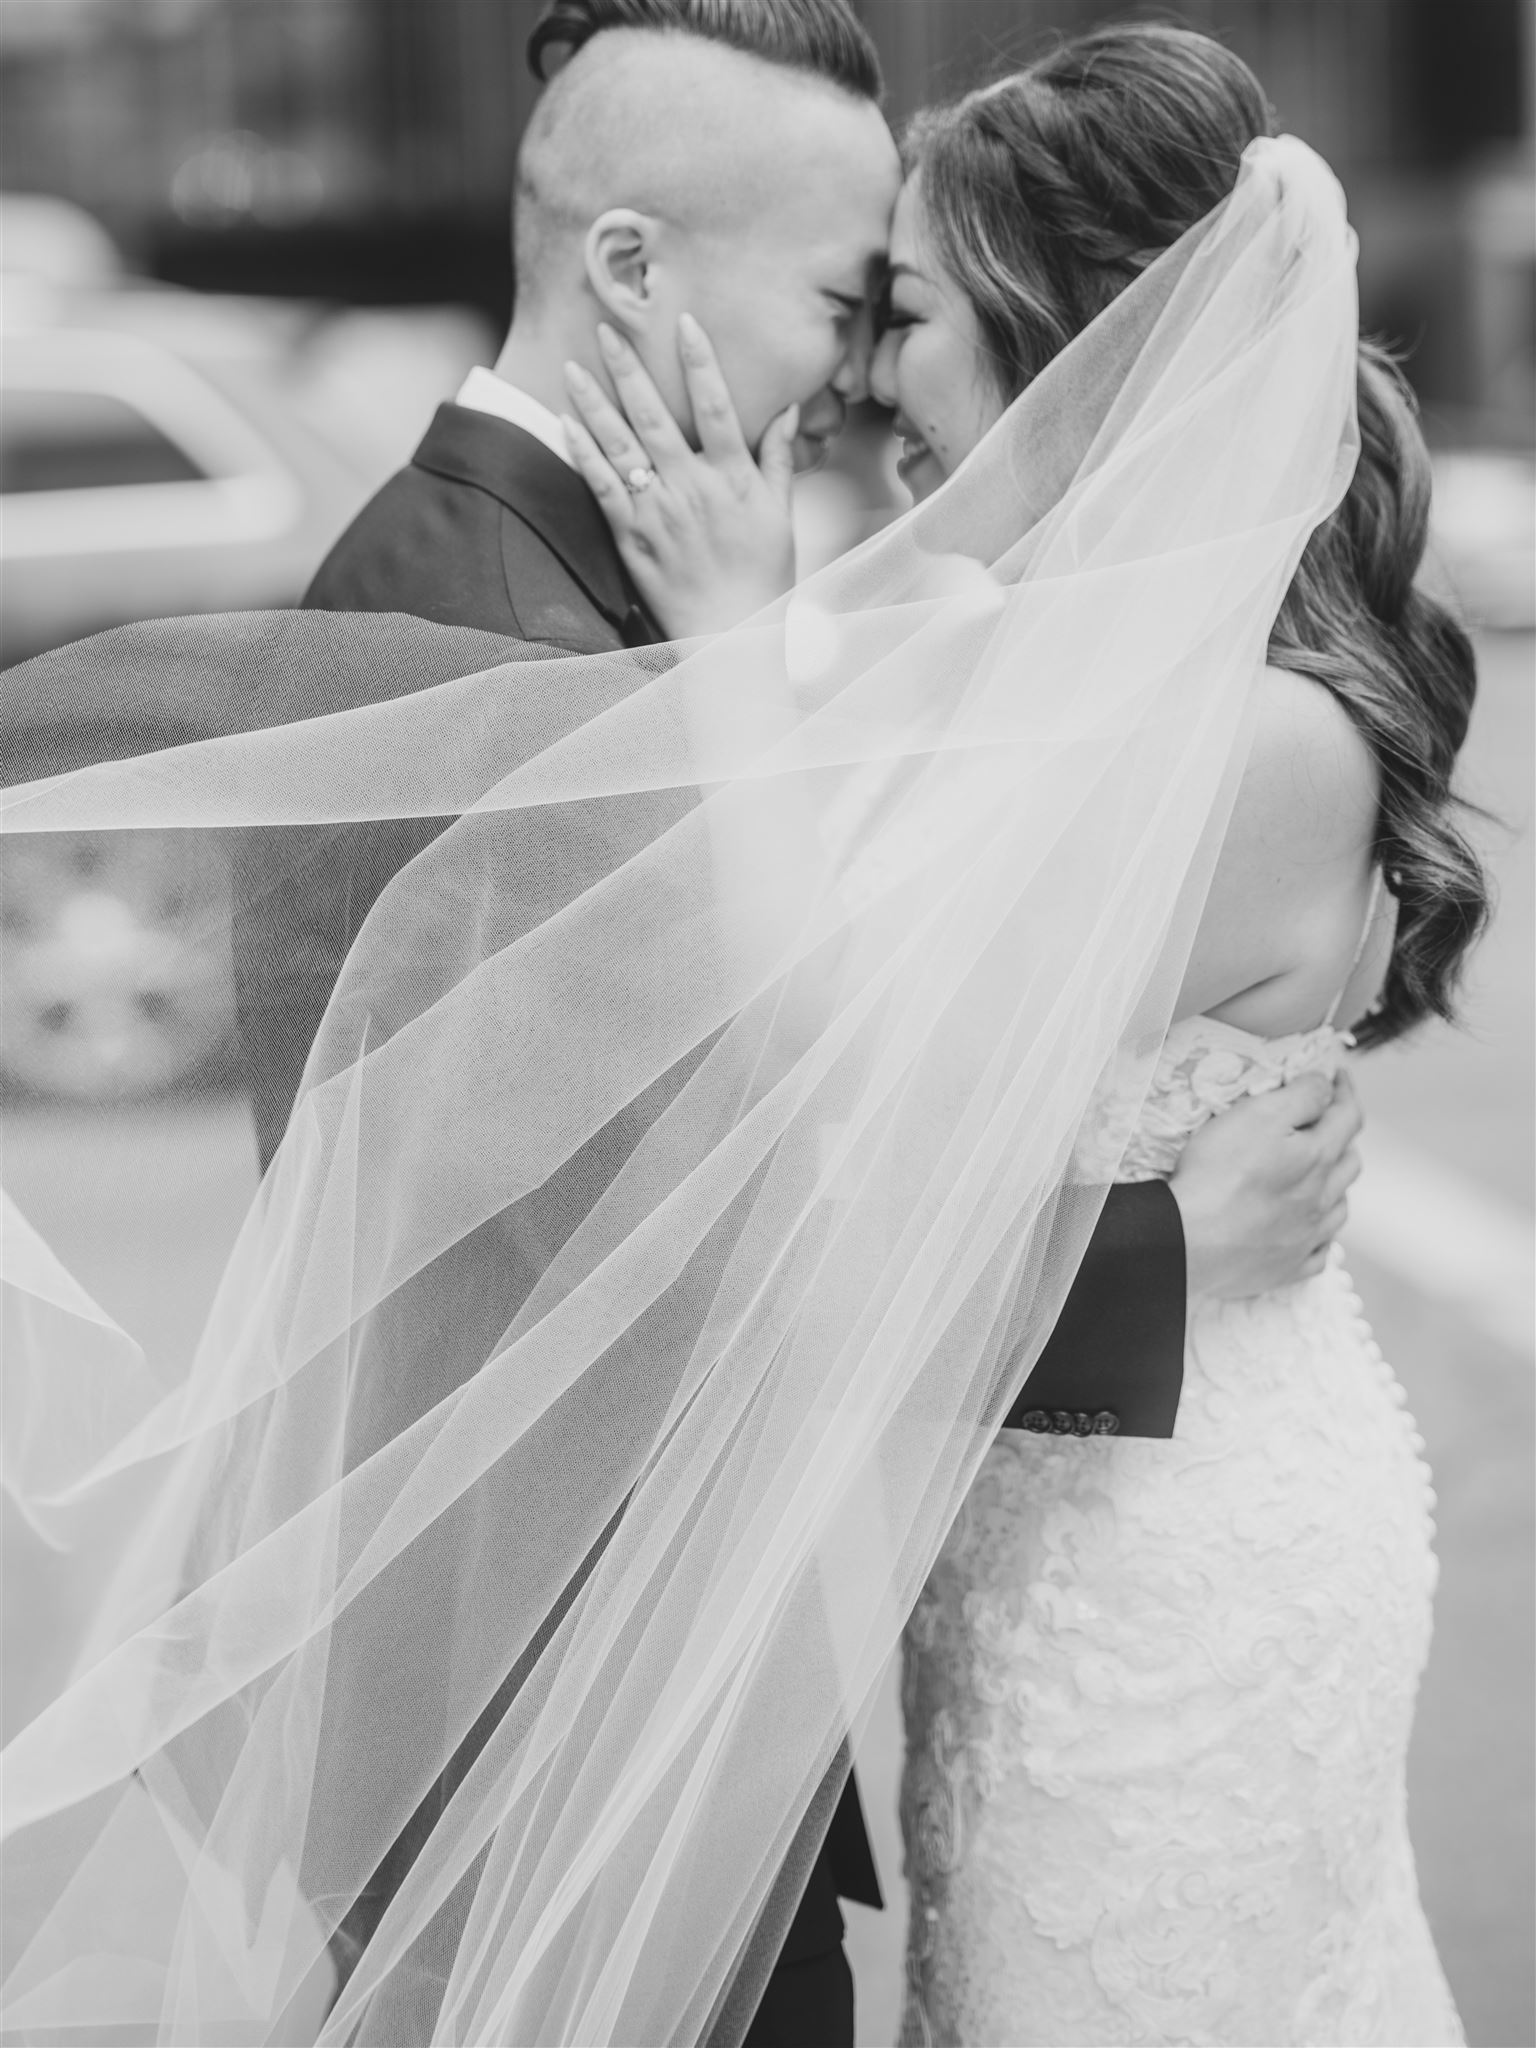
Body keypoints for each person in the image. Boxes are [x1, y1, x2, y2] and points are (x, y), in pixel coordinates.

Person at [229, 5, 1363, 2041]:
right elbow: (701, 1228)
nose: (854, 381)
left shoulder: (599, 589)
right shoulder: (469, 619)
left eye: (895, 312)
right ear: (634, 270)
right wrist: (1158, 1258)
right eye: (847, 300)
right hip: (540, 1750)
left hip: (688, 1719)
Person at [568, 22, 1486, 2041]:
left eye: (917, 309)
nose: (877, 371)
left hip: (1175, 1582)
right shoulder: (1041, 663)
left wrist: (728, 648)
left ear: (1072, 343)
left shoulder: (1259, 740)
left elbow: (838, 1067)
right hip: (1035, 1544)